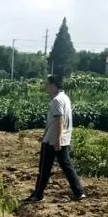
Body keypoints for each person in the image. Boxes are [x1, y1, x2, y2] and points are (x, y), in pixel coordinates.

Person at [25, 74, 85, 203]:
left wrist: (56, 139)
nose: (46, 87)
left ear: (53, 85)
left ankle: (38, 195)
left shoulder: (56, 100)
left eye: (47, 84)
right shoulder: (65, 98)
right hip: (63, 138)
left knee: (44, 169)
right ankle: (79, 192)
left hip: (52, 140)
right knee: (67, 166)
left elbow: (59, 120)